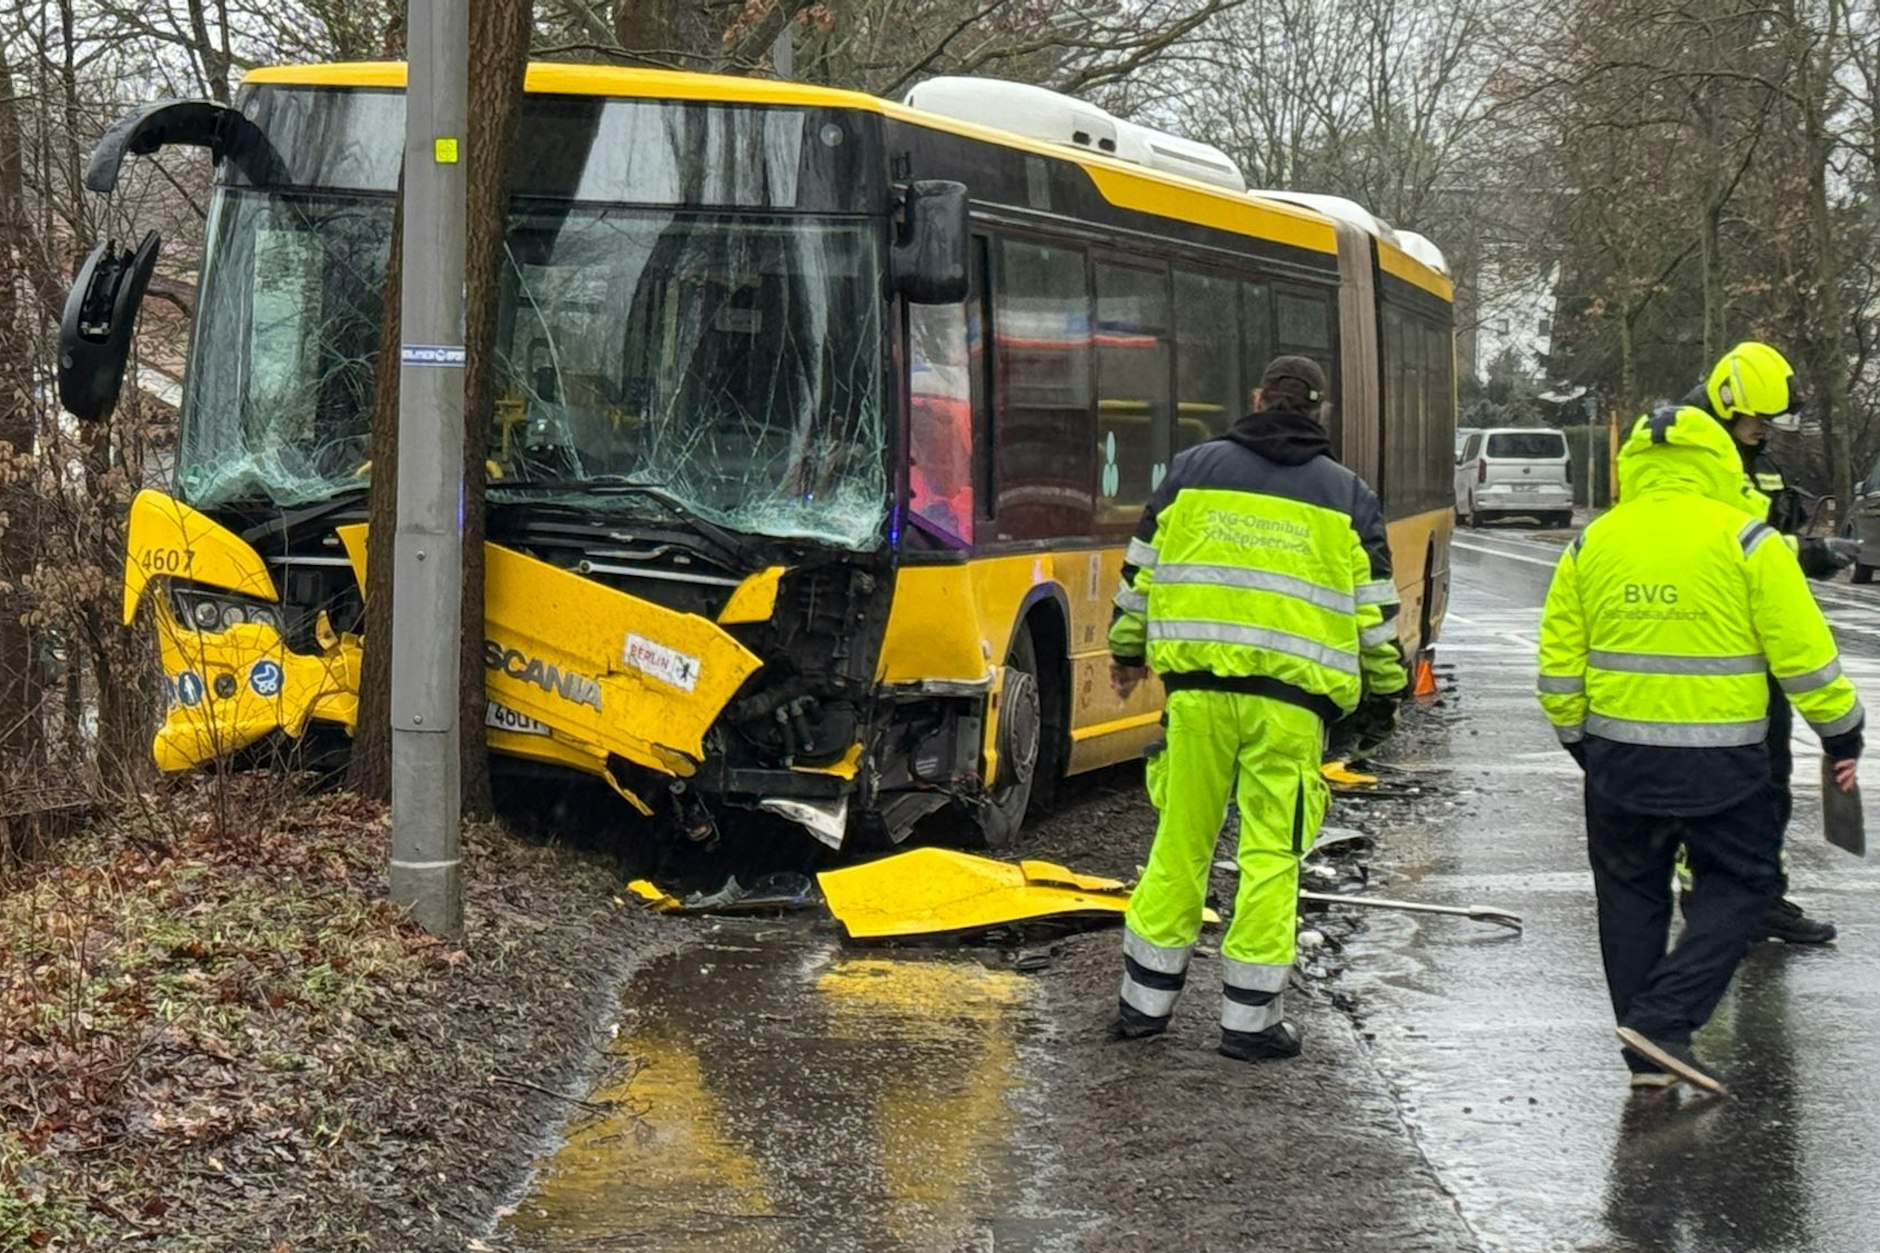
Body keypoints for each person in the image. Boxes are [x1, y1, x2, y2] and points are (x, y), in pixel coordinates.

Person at [1536, 404, 1862, 1093]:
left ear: (1633, 467)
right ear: (1717, 462)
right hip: (1725, 762)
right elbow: (1804, 658)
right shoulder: (1748, 542)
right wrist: (1842, 729)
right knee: (1745, 884)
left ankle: (1647, 1054)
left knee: (1628, 894)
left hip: (1618, 758)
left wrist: (1580, 741)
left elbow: (1559, 668)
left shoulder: (1592, 544)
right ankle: (1663, 1019)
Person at [1107, 355, 1406, 1062]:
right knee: (1272, 853)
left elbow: (1140, 570)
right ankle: (1248, 1022)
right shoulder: (1349, 495)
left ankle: (1143, 1007)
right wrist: (1384, 690)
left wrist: (1126, 651)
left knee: (1179, 843)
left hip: (1197, 697)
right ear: (1320, 410)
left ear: (1256, 398)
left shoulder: (1191, 469)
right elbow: (1375, 616)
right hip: (1290, 710)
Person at [1665, 342, 1854, 944]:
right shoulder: (1689, 459)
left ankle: (1760, 895)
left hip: (1756, 640)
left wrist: (1802, 546)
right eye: (1756, 422)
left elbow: (1769, 531)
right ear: (1725, 404)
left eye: (1769, 423)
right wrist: (1809, 554)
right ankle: (1709, 900)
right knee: (1722, 783)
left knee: (1770, 775)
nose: (1763, 433)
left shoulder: (1751, 453)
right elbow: (1729, 547)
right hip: (1711, 644)